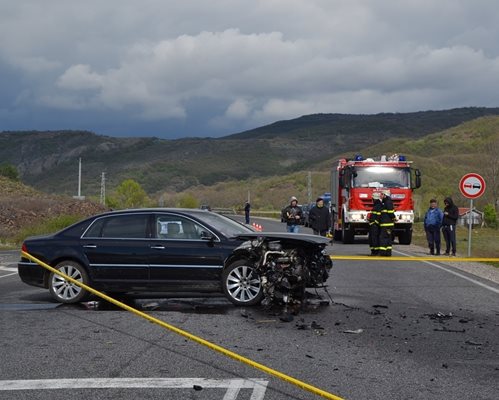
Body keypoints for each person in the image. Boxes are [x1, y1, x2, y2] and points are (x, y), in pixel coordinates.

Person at [379, 189, 396, 256]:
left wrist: (394, 218)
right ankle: (388, 252)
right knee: (388, 237)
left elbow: (390, 212)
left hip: (386, 224)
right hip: (388, 224)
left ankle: (383, 253)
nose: (381, 195)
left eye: (382, 194)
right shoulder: (386, 202)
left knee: (383, 238)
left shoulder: (387, 202)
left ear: (385, 195)